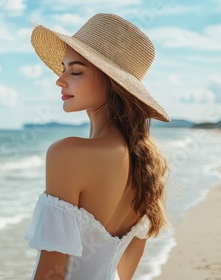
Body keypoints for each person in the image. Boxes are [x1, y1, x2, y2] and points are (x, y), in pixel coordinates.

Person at [24, 13, 170, 280]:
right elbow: (126, 271)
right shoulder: (147, 163)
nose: (60, 79)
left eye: (76, 71)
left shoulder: (67, 154)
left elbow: (51, 271)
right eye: (63, 67)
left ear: (112, 82)